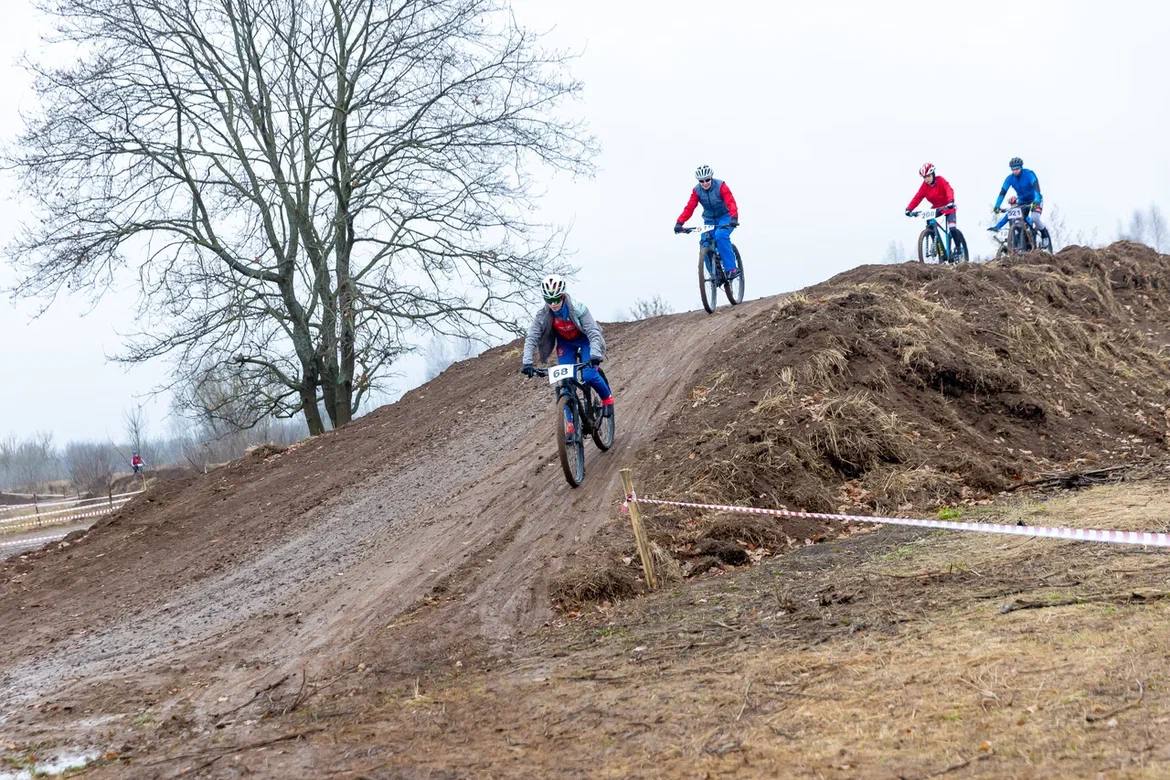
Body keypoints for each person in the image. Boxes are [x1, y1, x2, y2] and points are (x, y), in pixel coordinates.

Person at [521, 275, 614, 430]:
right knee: (565, 382)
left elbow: (593, 332)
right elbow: (532, 337)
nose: (553, 303)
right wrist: (527, 362)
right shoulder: (542, 315)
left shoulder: (579, 308)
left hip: (585, 340)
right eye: (549, 300)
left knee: (589, 375)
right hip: (565, 343)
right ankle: (570, 424)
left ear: (563, 295)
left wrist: (595, 355)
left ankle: (607, 399)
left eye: (556, 298)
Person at [673, 164, 740, 279]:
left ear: (711, 177)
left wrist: (734, 218)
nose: (705, 183)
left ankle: (731, 269)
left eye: (707, 180)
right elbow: (689, 207)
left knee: (720, 235)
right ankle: (715, 275)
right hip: (709, 220)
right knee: (705, 243)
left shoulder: (721, 186)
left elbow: (731, 202)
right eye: (701, 181)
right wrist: (680, 223)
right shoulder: (697, 191)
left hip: (726, 217)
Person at [904, 163, 961, 244]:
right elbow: (917, 197)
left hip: (948, 206)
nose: (926, 179)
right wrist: (909, 209)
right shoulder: (924, 186)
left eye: (928, 176)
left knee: (952, 228)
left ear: (933, 174)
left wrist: (951, 201)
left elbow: (949, 189)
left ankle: (958, 249)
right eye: (924, 177)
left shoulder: (940, 180)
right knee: (929, 222)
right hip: (936, 208)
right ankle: (937, 246)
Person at [993, 157, 1045, 235]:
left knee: (1035, 218)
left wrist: (1037, 200)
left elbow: (1037, 189)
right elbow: (1002, 193)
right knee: (1013, 214)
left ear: (1021, 167)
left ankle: (1044, 235)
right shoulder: (1009, 179)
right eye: (1013, 169)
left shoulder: (1029, 174)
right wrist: (997, 206)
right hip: (1022, 202)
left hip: (1035, 200)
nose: (1015, 171)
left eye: (1017, 169)